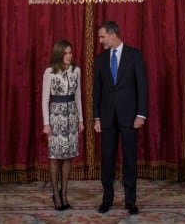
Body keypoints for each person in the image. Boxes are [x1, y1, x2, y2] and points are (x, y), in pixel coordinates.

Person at [93, 21, 148, 216]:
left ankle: (130, 201)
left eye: (102, 37)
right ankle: (107, 200)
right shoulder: (100, 60)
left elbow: (142, 86)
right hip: (107, 118)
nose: (100, 41)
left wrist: (141, 114)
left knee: (130, 160)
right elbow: (97, 91)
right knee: (107, 160)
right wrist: (96, 117)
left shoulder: (135, 55)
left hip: (130, 118)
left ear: (113, 35)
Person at [41, 40, 84, 211]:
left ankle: (64, 193)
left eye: (70, 53)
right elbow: (45, 99)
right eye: (65, 53)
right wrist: (46, 123)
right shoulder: (49, 72)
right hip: (55, 118)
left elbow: (78, 96)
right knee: (55, 157)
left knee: (68, 157)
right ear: (59, 54)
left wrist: (80, 119)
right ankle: (56, 195)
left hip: (72, 117)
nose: (68, 56)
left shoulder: (76, 71)